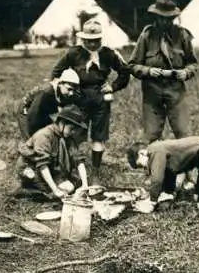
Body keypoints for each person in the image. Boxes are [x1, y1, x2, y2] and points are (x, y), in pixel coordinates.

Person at [52, 19, 130, 186]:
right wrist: (63, 89)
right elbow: (56, 73)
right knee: (75, 135)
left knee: (98, 136)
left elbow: (125, 72)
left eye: (96, 40)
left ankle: (95, 172)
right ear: (82, 40)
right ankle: (73, 170)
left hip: (100, 101)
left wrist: (113, 86)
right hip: (78, 99)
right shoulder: (73, 53)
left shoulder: (109, 54)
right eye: (89, 40)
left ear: (101, 39)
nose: (93, 44)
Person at [128, 0, 197, 144]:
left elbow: (193, 63)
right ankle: (153, 165)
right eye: (161, 18)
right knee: (151, 136)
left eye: (169, 19)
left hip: (176, 91)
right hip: (152, 91)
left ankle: (184, 165)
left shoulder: (182, 35)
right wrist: (148, 71)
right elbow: (132, 65)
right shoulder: (147, 35)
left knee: (184, 134)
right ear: (155, 17)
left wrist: (185, 73)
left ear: (173, 18)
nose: (164, 22)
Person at [13, 105, 90, 200]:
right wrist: (55, 190)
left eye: (75, 129)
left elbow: (78, 159)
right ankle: (27, 188)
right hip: (31, 167)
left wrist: (85, 185)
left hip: (51, 167)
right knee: (53, 195)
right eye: (72, 128)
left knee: (69, 188)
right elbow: (42, 165)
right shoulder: (44, 135)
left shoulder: (67, 136)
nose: (73, 132)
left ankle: (43, 188)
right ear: (61, 123)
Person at [17, 68, 80, 140]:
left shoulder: (65, 93)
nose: (71, 93)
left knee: (51, 135)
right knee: (32, 138)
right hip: (27, 110)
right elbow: (33, 116)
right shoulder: (46, 93)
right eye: (69, 89)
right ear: (60, 84)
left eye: (73, 90)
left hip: (45, 110)